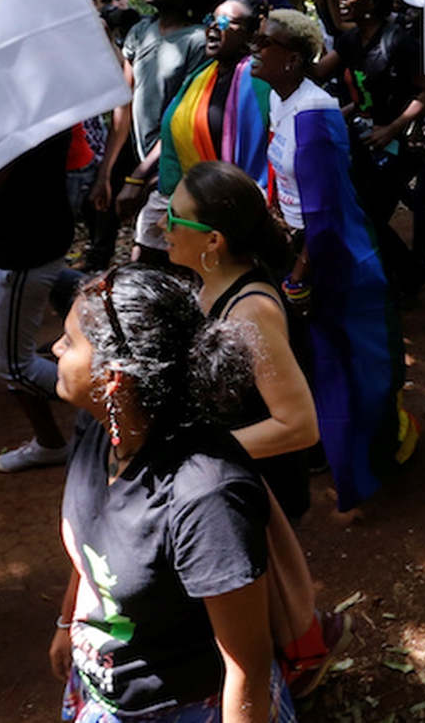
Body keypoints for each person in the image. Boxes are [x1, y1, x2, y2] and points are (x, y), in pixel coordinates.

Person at [48, 265, 297, 723]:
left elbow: (247, 665)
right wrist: (70, 624)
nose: (55, 348)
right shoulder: (97, 428)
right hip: (105, 687)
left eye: (69, 341)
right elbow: (92, 545)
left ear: (112, 380)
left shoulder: (206, 497)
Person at [251, 10, 417, 511]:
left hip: (327, 256)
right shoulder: (281, 101)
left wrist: (301, 274)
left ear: (294, 59)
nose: (256, 49)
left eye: (266, 43)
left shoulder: (314, 116)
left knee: (341, 358)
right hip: (296, 244)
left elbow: (325, 210)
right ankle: (324, 443)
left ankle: (361, 459)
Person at [166, 161, 318, 522]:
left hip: (254, 493)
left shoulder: (250, 313)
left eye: (174, 218)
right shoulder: (208, 284)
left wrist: (195, 455)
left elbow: (298, 425)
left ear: (213, 240)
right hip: (223, 481)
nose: (162, 226)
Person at [104, 0, 225, 263]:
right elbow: (124, 105)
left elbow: (183, 117)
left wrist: (140, 175)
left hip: (175, 164)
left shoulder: (199, 41)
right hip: (140, 161)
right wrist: (108, 171)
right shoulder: (140, 32)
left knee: (153, 255)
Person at [314, 0, 425, 291]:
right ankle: (402, 272)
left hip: (397, 147)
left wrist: (393, 128)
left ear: (373, 1)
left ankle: (407, 275)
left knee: (369, 217)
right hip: (361, 140)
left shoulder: (398, 41)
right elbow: (319, 71)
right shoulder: (351, 40)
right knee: (355, 210)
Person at [0, 128, 78, 473]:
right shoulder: (37, 93)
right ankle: (50, 441)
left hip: (24, 246)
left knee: (10, 365)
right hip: (32, 233)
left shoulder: (11, 117)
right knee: (4, 350)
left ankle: (120, 409)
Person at [158, 0, 273, 197]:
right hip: (197, 195)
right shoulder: (199, 77)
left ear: (250, 34)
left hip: (249, 197)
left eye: (224, 22)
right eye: (211, 19)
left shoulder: (262, 81)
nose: (212, 27)